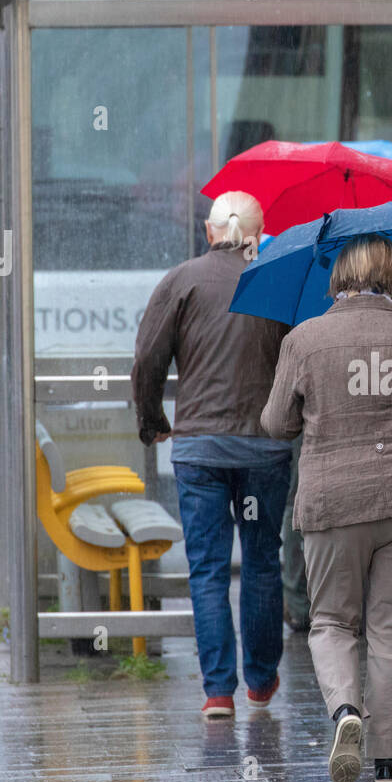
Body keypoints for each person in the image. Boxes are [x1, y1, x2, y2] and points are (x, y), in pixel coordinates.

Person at [262, 234, 392, 782]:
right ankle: (389, 764)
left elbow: (276, 424)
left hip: (332, 500)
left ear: (336, 277)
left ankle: (346, 710)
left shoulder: (304, 340)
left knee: (332, 620)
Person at [132, 191, 291, 720]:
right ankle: (261, 680)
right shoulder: (276, 280)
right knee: (262, 561)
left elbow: (148, 359)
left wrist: (153, 422)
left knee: (207, 569)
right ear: (258, 233)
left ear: (209, 231)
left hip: (199, 447)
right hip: (266, 446)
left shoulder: (181, 281)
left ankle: (218, 691)